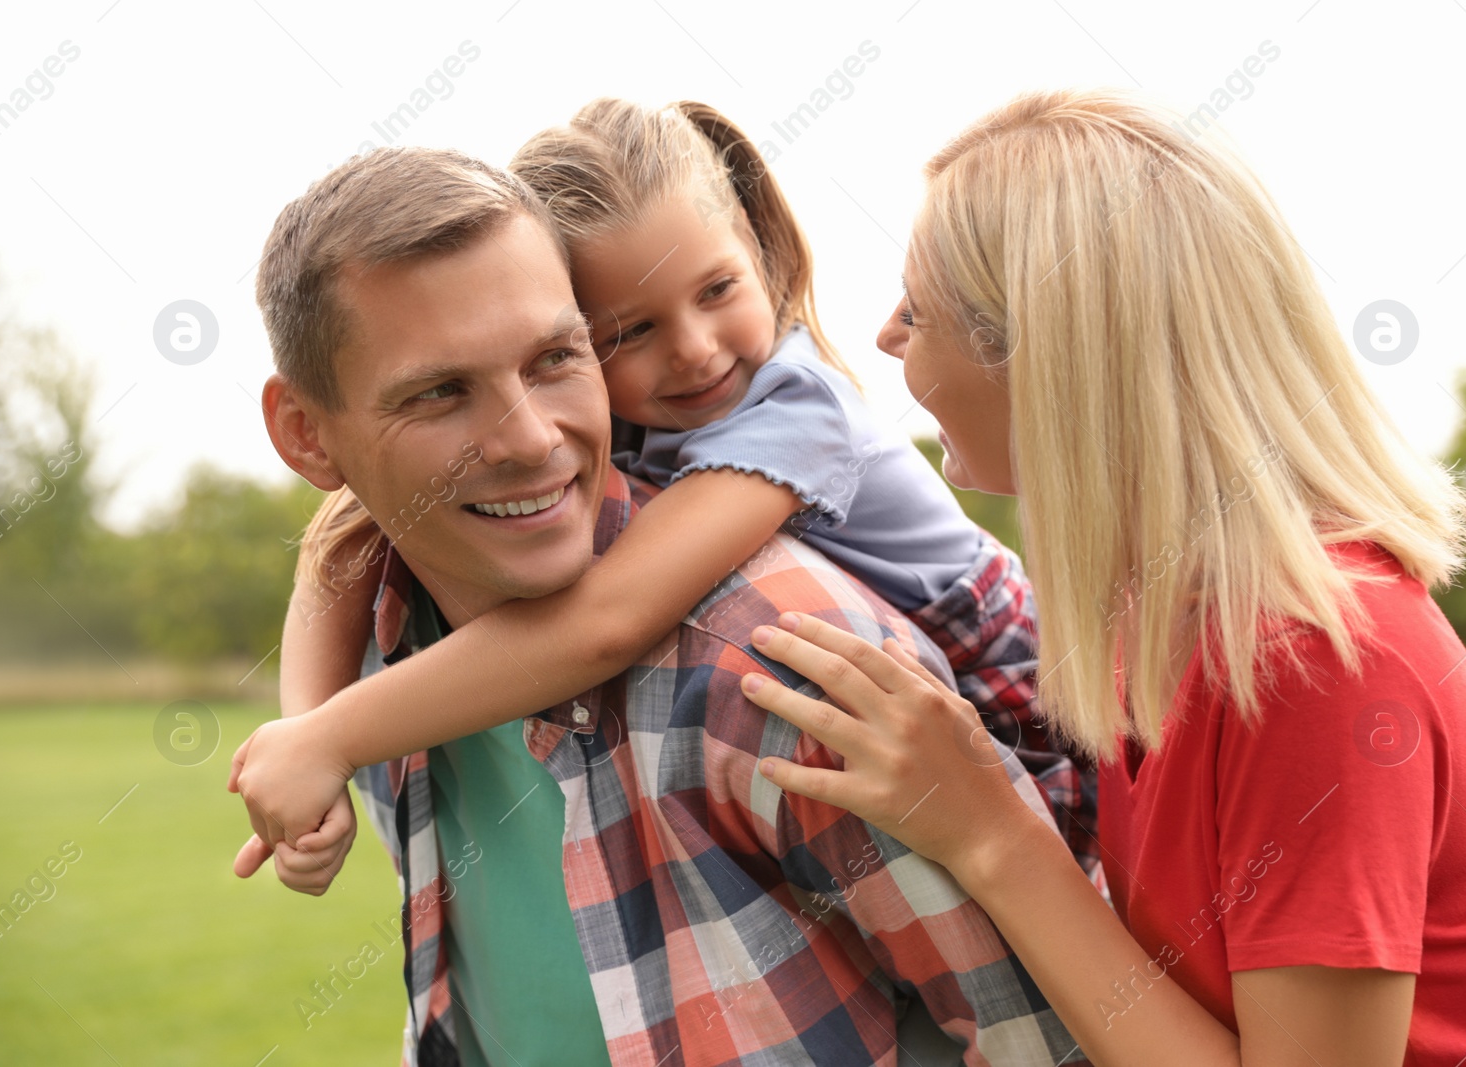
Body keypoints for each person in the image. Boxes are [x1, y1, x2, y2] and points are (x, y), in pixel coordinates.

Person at [735, 89, 1466, 1065]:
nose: (885, 336)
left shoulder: (1312, 657)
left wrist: (990, 831)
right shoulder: (1157, 615)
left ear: (1050, 358)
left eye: (918, 306)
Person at [234, 143, 1083, 1065]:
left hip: (1040, 717)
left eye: (554, 356)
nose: (527, 437)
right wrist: (307, 732)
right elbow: (335, 543)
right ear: (306, 435)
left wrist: (325, 736)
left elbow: (1052, 1042)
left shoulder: (785, 667)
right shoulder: (394, 634)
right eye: (442, 391)